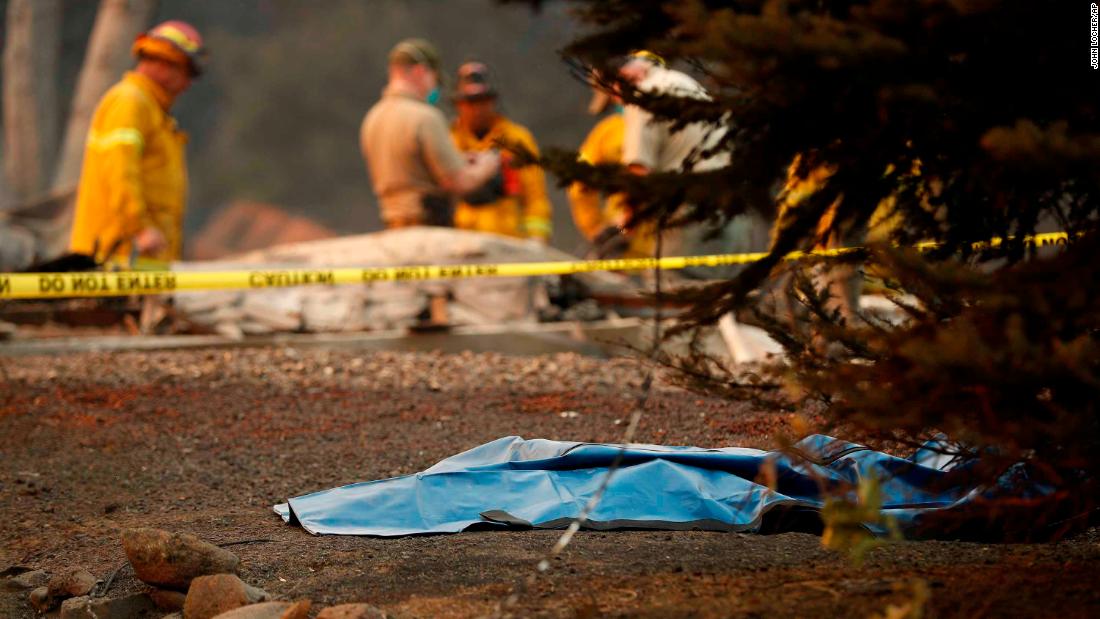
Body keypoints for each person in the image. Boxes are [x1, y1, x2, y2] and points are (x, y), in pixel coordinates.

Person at [69, 20, 207, 264]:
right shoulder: (131, 103)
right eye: (188, 73)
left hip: (144, 258)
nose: (187, 84)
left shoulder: (151, 110)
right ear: (164, 63)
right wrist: (140, 229)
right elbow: (120, 172)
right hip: (120, 257)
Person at [361, 39, 499, 229]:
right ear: (420, 71)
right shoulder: (426, 118)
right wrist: (488, 164)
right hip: (428, 224)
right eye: (434, 79)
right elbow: (458, 182)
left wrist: (459, 159)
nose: (434, 88)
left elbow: (412, 169)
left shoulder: (373, 118)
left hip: (392, 224)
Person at [448, 62, 552, 242]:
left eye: (482, 101)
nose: (477, 109)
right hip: (460, 244)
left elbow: (535, 196)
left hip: (508, 242)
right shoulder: (448, 141)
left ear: (493, 101)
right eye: (470, 103)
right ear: (458, 104)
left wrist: (537, 240)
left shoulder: (517, 139)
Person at [567, 81, 655, 258]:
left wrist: (596, 229)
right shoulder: (686, 125)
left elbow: (580, 184)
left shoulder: (609, 132)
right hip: (681, 238)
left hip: (627, 243)